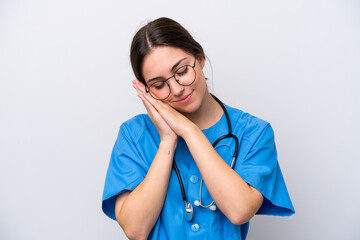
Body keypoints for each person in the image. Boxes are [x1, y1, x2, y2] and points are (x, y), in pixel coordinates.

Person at [102, 17, 294, 240]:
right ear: (146, 90)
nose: (176, 89)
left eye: (182, 71)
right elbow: (135, 229)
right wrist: (167, 141)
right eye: (159, 85)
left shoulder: (253, 133)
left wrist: (189, 131)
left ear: (200, 59)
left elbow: (240, 210)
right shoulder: (134, 135)